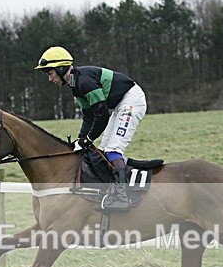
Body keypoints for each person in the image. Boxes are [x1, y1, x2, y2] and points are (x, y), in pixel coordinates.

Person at [35, 46, 147, 211]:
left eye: (50, 74)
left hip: (131, 100)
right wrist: (80, 140)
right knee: (102, 151)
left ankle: (122, 197)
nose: (50, 79)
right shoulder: (75, 84)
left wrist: (87, 140)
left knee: (113, 149)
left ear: (60, 69)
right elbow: (89, 116)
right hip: (119, 104)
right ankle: (110, 191)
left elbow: (101, 115)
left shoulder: (84, 82)